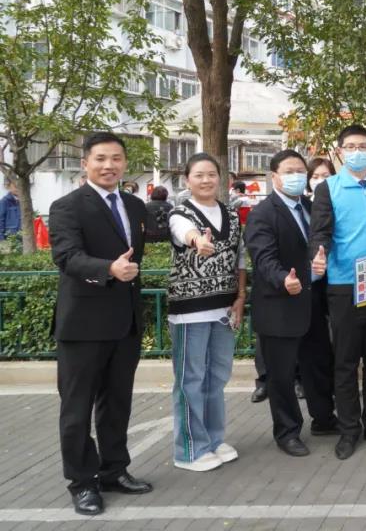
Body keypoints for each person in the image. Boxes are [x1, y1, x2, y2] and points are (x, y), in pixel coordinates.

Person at [49, 132, 154, 516]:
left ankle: (114, 470)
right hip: (83, 325)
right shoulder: (67, 206)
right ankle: (82, 483)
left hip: (125, 324)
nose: (109, 165)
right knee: (76, 411)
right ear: (86, 163)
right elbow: (67, 256)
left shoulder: (135, 205)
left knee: (116, 405)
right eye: (100, 158)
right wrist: (108, 268)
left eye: (116, 158)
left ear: (125, 163)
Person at [309, 124, 366, 460]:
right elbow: (320, 232)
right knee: (346, 361)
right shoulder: (329, 188)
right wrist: (318, 253)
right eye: (350, 147)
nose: (357, 151)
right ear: (340, 152)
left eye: (363, 146)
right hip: (344, 284)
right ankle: (349, 428)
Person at [245, 150, 337, 458]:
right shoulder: (262, 213)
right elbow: (263, 258)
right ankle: (287, 432)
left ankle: (324, 419)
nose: (296, 176)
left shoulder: (310, 207)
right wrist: (284, 278)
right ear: (274, 176)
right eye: (289, 171)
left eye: (300, 171)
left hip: (312, 304)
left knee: (318, 365)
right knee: (282, 376)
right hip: (279, 307)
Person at [166, 152, 246, 473]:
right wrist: (197, 240)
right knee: (191, 380)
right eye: (198, 175)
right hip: (190, 312)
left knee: (217, 377)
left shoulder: (232, 214)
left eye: (211, 174)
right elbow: (183, 231)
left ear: (220, 178)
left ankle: (213, 440)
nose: (206, 180)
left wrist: (241, 296)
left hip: (223, 308)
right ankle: (189, 449)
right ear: (187, 180)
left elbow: (240, 258)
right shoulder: (180, 213)